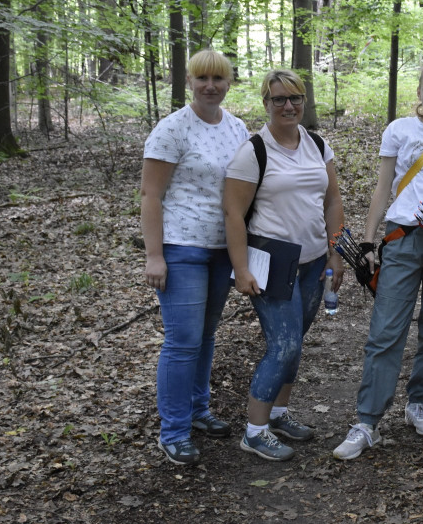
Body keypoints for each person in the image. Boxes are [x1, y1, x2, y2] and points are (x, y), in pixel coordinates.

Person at [332, 59, 423, 460]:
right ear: (418, 91)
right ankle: (367, 420)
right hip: (402, 237)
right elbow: (383, 189)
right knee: (386, 331)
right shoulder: (398, 130)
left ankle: (419, 401)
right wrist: (367, 242)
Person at [223, 69, 345, 461]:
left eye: (295, 98)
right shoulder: (253, 151)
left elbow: (332, 203)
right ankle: (254, 432)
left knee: (294, 345)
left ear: (303, 101)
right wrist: (241, 269)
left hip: (312, 263)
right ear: (266, 103)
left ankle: (277, 415)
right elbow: (233, 214)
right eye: (279, 99)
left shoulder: (317, 144)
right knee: (284, 344)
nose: (288, 106)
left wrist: (335, 252)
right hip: (272, 265)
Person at [141, 49, 250, 466]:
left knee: (205, 337)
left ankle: (199, 410)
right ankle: (173, 431)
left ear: (228, 83)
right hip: (182, 248)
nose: (210, 86)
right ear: (189, 81)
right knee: (182, 342)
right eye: (202, 78)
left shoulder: (236, 128)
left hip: (223, 249)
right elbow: (151, 195)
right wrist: (155, 255)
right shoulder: (171, 130)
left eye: (218, 79)